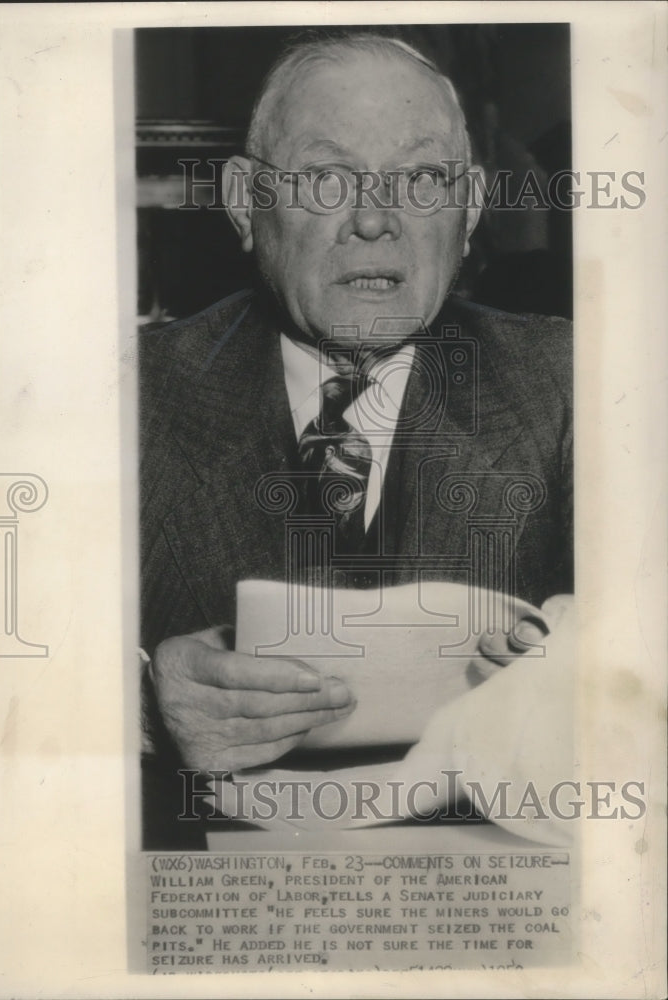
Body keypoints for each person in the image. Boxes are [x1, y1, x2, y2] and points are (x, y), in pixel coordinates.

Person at [139, 33, 572, 848]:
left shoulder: (574, 384)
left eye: (421, 179)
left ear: (472, 206)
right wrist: (145, 706)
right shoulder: (124, 395)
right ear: (244, 201)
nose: (374, 219)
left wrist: (586, 680)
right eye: (326, 177)